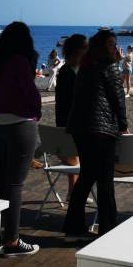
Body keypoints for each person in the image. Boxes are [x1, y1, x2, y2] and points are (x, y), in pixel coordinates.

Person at [0, 21, 41, 258]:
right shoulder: (19, 61)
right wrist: (37, 112)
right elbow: (29, 91)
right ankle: (12, 240)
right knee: (15, 184)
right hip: (20, 123)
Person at [63, 30, 128, 241]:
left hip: (80, 129)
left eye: (114, 44)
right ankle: (108, 230)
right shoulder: (109, 67)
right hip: (101, 130)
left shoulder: (85, 67)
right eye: (110, 44)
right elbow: (118, 98)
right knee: (105, 181)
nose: (114, 48)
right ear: (101, 46)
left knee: (87, 177)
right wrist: (123, 124)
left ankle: (73, 229)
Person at [54, 34, 88, 194]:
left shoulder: (70, 70)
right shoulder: (67, 72)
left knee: (74, 160)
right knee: (78, 159)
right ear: (77, 51)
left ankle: (73, 192)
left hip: (67, 125)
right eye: (85, 48)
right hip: (71, 125)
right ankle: (75, 192)